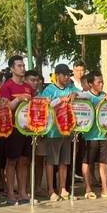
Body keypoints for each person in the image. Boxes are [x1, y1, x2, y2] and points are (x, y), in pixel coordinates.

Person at [0, 56, 35, 205]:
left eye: (23, 65)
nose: (22, 68)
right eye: (19, 66)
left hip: (27, 129)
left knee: (25, 161)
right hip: (12, 129)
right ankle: (10, 193)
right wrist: (19, 99)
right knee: (11, 161)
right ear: (12, 69)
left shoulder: (29, 87)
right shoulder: (6, 87)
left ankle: (22, 192)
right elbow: (6, 108)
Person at [40, 64, 79, 201]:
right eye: (64, 74)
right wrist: (59, 100)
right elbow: (44, 105)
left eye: (68, 74)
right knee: (51, 161)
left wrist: (75, 93)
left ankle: (63, 188)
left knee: (64, 161)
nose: (67, 77)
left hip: (67, 131)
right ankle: (51, 189)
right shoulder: (49, 90)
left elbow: (83, 94)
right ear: (57, 75)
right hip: (53, 131)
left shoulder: (70, 88)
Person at [79, 71, 107, 199]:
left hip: (102, 135)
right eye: (99, 82)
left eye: (102, 82)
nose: (101, 84)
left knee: (103, 162)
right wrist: (100, 103)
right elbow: (89, 112)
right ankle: (88, 188)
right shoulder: (86, 96)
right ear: (90, 84)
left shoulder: (104, 95)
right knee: (87, 162)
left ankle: (105, 188)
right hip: (89, 136)